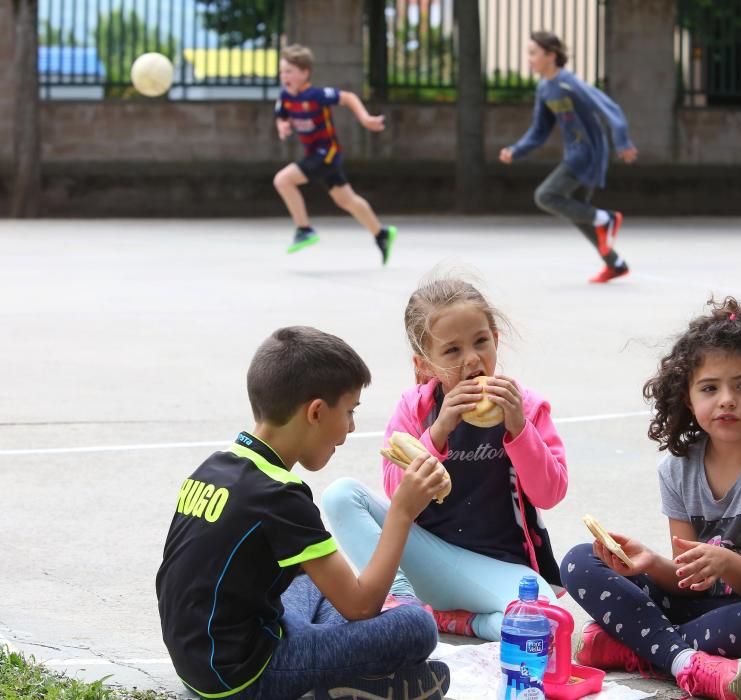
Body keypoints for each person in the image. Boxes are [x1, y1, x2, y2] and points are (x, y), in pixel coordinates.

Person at [156, 326, 451, 700]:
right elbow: (360, 607)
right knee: (417, 625)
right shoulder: (279, 496)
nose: (351, 428)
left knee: (314, 580)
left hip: (199, 663)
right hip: (245, 678)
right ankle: (354, 679)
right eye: (349, 412)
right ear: (315, 411)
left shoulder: (215, 466)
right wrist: (402, 512)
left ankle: (351, 676)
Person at [561, 297, 741, 700]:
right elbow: (690, 584)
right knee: (581, 560)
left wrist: (727, 563)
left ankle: (639, 645)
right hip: (700, 612)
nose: (727, 399)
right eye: (709, 387)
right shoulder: (678, 468)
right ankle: (685, 660)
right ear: (687, 398)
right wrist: (650, 563)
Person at [322, 277, 567, 641]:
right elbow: (397, 494)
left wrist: (519, 429)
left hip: (497, 570)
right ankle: (400, 599)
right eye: (452, 351)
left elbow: (551, 493)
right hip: (427, 560)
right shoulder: (415, 409)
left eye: (481, 342)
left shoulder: (526, 407)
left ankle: (459, 621)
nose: (471, 359)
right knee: (340, 494)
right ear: (425, 366)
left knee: (544, 626)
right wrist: (437, 433)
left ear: (496, 341)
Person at [499, 31, 638, 284]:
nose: (529, 59)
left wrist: (623, 141)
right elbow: (539, 130)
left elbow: (610, 108)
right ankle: (615, 264)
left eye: (533, 53)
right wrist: (516, 150)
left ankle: (606, 218)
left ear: (551, 55)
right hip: (576, 152)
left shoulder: (569, 83)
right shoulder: (544, 88)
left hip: (588, 154)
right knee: (578, 211)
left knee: (546, 195)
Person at [273, 44, 397, 264]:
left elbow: (348, 97)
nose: (285, 76)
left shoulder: (317, 95)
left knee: (283, 180)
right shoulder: (285, 97)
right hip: (316, 154)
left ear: (305, 73)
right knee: (345, 199)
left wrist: (365, 118)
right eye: (282, 72)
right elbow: (281, 115)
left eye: (289, 72)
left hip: (326, 153)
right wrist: (282, 125)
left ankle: (304, 229)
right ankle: (382, 234)